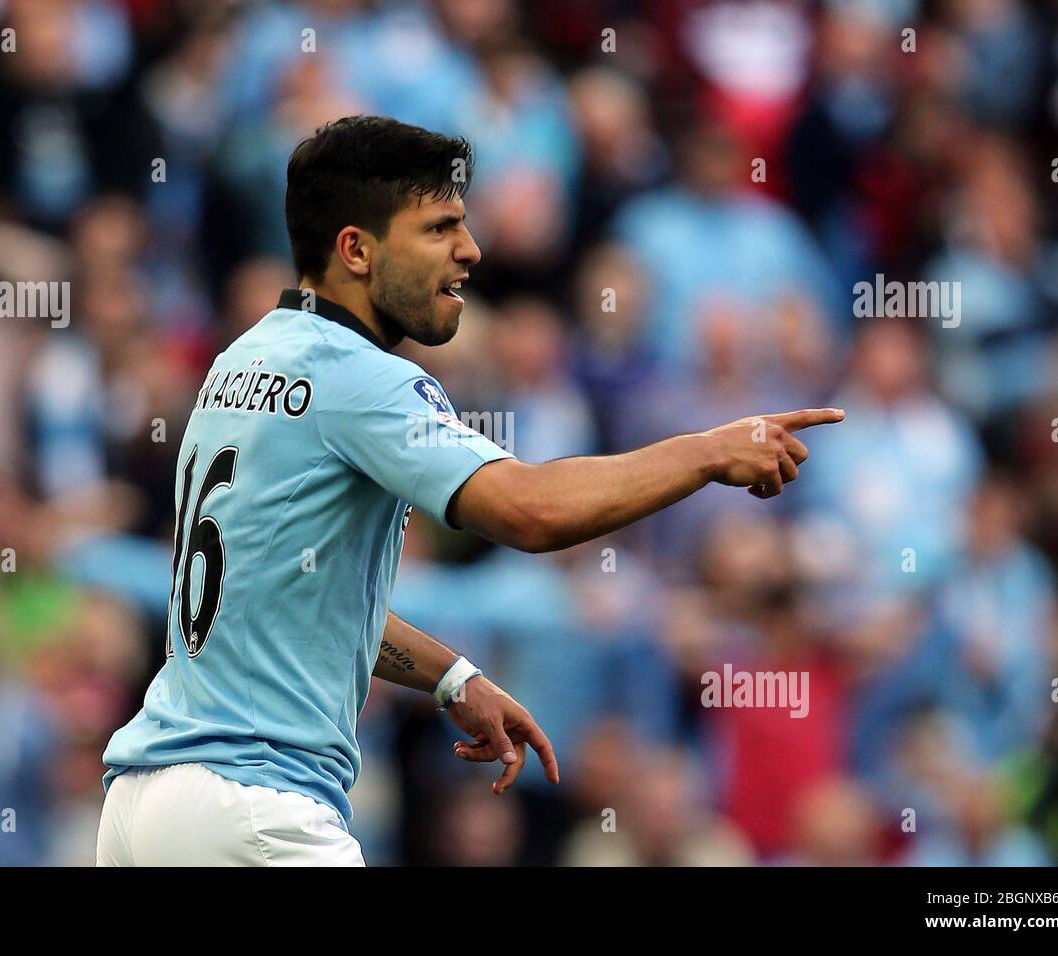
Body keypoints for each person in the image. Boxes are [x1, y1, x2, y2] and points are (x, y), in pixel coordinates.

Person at [97, 115, 844, 866]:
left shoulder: (241, 360)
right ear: (356, 249)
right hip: (252, 805)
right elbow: (529, 510)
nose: (470, 249)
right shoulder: (363, 377)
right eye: (439, 227)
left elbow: (287, 596)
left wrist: (451, 676)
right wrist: (708, 451)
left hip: (144, 806)